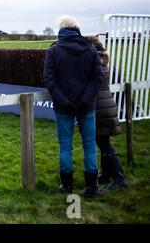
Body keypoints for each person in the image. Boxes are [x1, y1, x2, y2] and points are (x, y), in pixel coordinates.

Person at [43, 16, 104, 197]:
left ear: (61, 29)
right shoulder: (90, 50)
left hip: (64, 107)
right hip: (87, 106)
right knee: (90, 145)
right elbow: (97, 78)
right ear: (77, 28)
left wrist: (64, 101)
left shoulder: (54, 51)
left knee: (65, 146)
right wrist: (85, 100)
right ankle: (92, 187)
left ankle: (67, 186)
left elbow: (49, 80)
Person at [86, 35, 128, 190]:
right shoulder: (103, 60)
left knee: (104, 144)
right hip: (106, 104)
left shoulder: (93, 62)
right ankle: (106, 174)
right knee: (101, 140)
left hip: (100, 106)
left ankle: (119, 177)